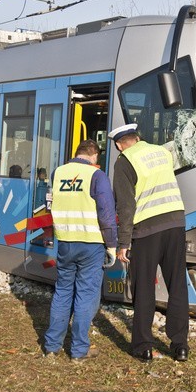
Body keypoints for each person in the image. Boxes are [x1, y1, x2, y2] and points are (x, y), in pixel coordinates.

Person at [108, 124, 190, 362]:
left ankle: (143, 345)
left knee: (143, 287)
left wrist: (123, 243)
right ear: (138, 137)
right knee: (177, 285)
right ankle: (180, 345)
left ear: (118, 144)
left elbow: (125, 205)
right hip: (175, 223)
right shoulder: (163, 152)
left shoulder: (124, 161)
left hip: (146, 229)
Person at [43, 139, 117, 362]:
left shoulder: (58, 173)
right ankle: (78, 351)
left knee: (63, 292)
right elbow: (106, 214)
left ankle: (52, 347)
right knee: (85, 294)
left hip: (65, 242)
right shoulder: (97, 175)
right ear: (93, 154)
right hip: (91, 245)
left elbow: (50, 205)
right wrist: (111, 246)